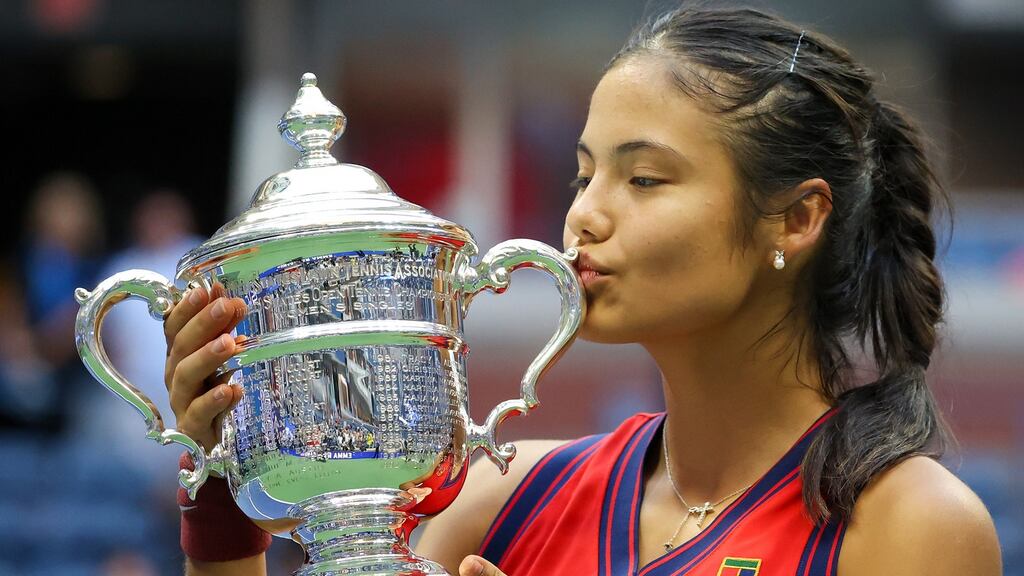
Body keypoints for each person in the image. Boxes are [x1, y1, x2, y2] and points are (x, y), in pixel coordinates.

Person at [161, 5, 1002, 576]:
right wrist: (223, 484)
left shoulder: (912, 526)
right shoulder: (500, 496)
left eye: (643, 178)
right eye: (582, 173)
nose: (583, 217)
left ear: (795, 219)